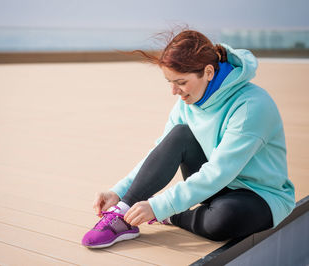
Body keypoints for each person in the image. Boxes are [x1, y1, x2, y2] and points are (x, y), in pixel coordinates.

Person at [81, 29, 296, 249]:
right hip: (214, 187)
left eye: (181, 82)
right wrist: (119, 192)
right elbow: (160, 152)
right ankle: (123, 215)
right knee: (179, 135)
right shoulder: (188, 102)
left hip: (257, 195)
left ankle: (175, 217)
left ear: (209, 72)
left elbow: (219, 172)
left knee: (223, 219)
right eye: (170, 82)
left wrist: (160, 207)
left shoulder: (251, 105)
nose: (175, 91)